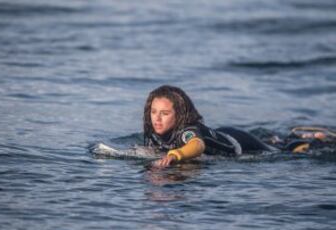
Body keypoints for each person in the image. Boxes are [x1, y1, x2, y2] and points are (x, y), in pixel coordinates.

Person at [143, 85, 334, 168]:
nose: (157, 119)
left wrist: (176, 155)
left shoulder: (187, 131)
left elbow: (197, 145)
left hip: (241, 144)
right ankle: (279, 138)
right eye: (153, 112)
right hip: (222, 134)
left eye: (165, 113)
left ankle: (313, 141)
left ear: (180, 116)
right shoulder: (157, 131)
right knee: (276, 142)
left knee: (285, 151)